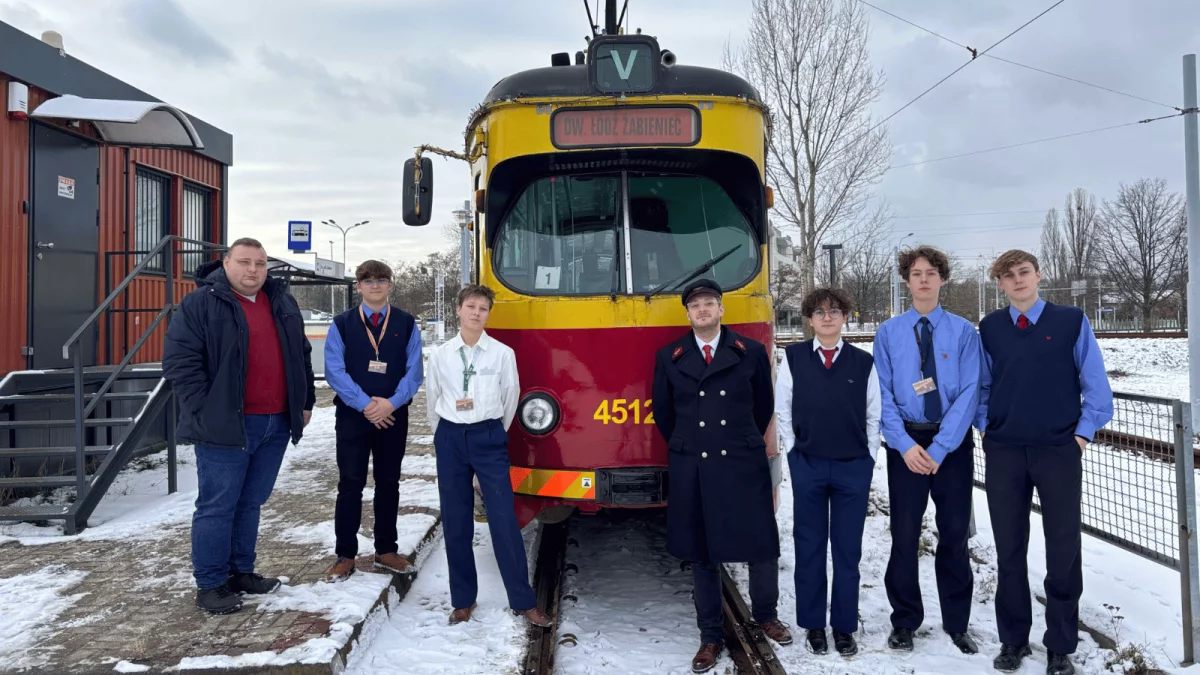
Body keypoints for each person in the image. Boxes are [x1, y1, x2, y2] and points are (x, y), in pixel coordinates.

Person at [977, 250, 1113, 675]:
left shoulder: (1071, 321)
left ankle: (1060, 645)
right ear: (999, 284)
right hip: (1005, 452)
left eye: (1024, 272)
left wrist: (1080, 436)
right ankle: (1013, 640)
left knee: (1063, 548)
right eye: (1008, 275)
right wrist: (987, 428)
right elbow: (982, 386)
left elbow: (1097, 388)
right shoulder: (990, 328)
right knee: (1009, 549)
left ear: (1038, 276)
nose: (1017, 281)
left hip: (1058, 452)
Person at [163, 237, 315, 615]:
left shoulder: (281, 301)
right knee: (217, 505)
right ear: (226, 264)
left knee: (251, 502)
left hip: (275, 422)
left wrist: (305, 401)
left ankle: (241, 572)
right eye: (245, 262)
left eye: (260, 264)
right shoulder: (201, 303)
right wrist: (205, 409)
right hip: (227, 425)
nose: (253, 270)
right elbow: (181, 362)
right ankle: (211, 583)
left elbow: (301, 353)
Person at [651, 278, 791, 675]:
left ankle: (766, 615)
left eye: (710, 303)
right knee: (702, 552)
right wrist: (692, 442)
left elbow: (763, 405)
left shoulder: (749, 353)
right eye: (696, 306)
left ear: (721, 309)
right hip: (694, 462)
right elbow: (665, 414)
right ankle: (710, 635)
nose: (703, 310)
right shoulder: (670, 357)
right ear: (688, 313)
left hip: (742, 459)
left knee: (761, 543)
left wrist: (741, 438)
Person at [875, 246, 982, 655]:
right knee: (904, 534)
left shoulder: (964, 332)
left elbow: (970, 391)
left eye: (931, 273)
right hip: (906, 446)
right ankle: (904, 621)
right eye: (916, 273)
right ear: (906, 281)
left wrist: (940, 447)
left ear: (942, 279)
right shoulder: (888, 333)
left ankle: (957, 623)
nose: (923, 279)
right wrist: (902, 443)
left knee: (954, 535)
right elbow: (881, 393)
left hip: (950, 446)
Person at [425, 284, 552, 628]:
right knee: (456, 521)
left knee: (503, 520)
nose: (476, 313)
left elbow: (510, 398)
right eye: (470, 306)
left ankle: (523, 601)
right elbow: (433, 400)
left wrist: (490, 431)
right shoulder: (440, 355)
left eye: (483, 308)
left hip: (489, 437)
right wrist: (446, 434)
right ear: (458, 310)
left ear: (488, 314)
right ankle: (463, 600)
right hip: (450, 437)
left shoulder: (501, 353)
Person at [775, 288, 879, 657]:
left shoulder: (862, 363)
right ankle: (814, 625)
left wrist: (868, 458)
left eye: (834, 311)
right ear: (810, 319)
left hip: (853, 468)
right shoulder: (794, 357)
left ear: (845, 316)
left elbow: (873, 415)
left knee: (848, 552)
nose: (827, 317)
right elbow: (782, 408)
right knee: (810, 548)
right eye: (819, 312)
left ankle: (844, 627)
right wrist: (792, 453)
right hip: (809, 465)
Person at [323, 260, 424, 582]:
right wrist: (367, 405)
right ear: (359, 287)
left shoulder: (407, 324)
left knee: (388, 483)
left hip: (393, 415)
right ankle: (345, 554)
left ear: (391, 284)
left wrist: (391, 403)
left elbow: (415, 373)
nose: (375, 286)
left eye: (382, 280)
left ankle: (386, 550)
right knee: (350, 484)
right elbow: (334, 372)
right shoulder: (341, 324)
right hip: (354, 416)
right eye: (368, 281)